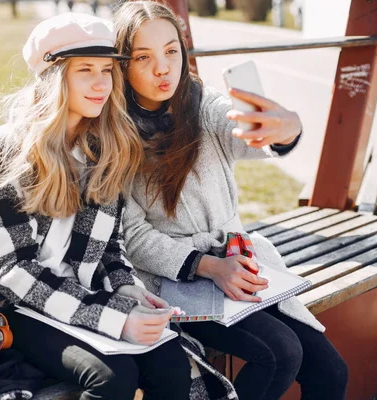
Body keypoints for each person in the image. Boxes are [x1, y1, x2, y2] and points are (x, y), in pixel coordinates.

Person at [114, 2, 349, 400]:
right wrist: (208, 266)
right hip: (174, 280)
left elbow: (237, 125)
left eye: (171, 51)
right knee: (279, 352)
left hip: (240, 265)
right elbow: (131, 235)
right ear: (123, 64)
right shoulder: (115, 133)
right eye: (144, 57)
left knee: (331, 372)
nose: (162, 68)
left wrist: (282, 129)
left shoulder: (200, 103)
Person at [0, 13, 193, 400]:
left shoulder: (107, 147)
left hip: (89, 293)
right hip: (24, 309)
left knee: (173, 364)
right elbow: (14, 272)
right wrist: (116, 317)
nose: (101, 83)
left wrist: (129, 291)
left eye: (107, 70)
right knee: (114, 377)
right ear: (54, 77)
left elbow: (108, 249)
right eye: (85, 70)